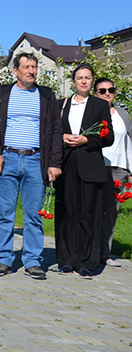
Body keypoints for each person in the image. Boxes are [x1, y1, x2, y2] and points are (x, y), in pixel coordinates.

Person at [0, 53, 62, 280]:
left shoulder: (46, 95)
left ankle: (32, 261)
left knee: (34, 215)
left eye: (34, 67)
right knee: (5, 214)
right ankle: (4, 259)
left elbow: (56, 130)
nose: (31, 71)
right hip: (6, 159)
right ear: (15, 71)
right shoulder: (2, 93)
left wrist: (54, 163)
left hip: (36, 161)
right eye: (26, 67)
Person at [55, 64, 113, 278]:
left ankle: (87, 261)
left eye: (88, 78)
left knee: (88, 215)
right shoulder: (62, 104)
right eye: (79, 78)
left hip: (90, 165)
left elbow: (108, 136)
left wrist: (87, 139)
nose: (83, 81)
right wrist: (62, 137)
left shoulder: (100, 105)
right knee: (68, 214)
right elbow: (52, 132)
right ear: (73, 82)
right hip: (67, 165)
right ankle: (67, 259)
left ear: (92, 81)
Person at [94, 77, 132, 268]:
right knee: (92, 209)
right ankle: (89, 251)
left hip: (119, 169)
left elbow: (130, 142)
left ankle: (105, 253)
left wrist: (130, 169)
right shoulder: (92, 113)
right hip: (96, 167)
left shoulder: (122, 114)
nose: (107, 93)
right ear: (95, 93)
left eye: (110, 89)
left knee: (110, 212)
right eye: (102, 90)